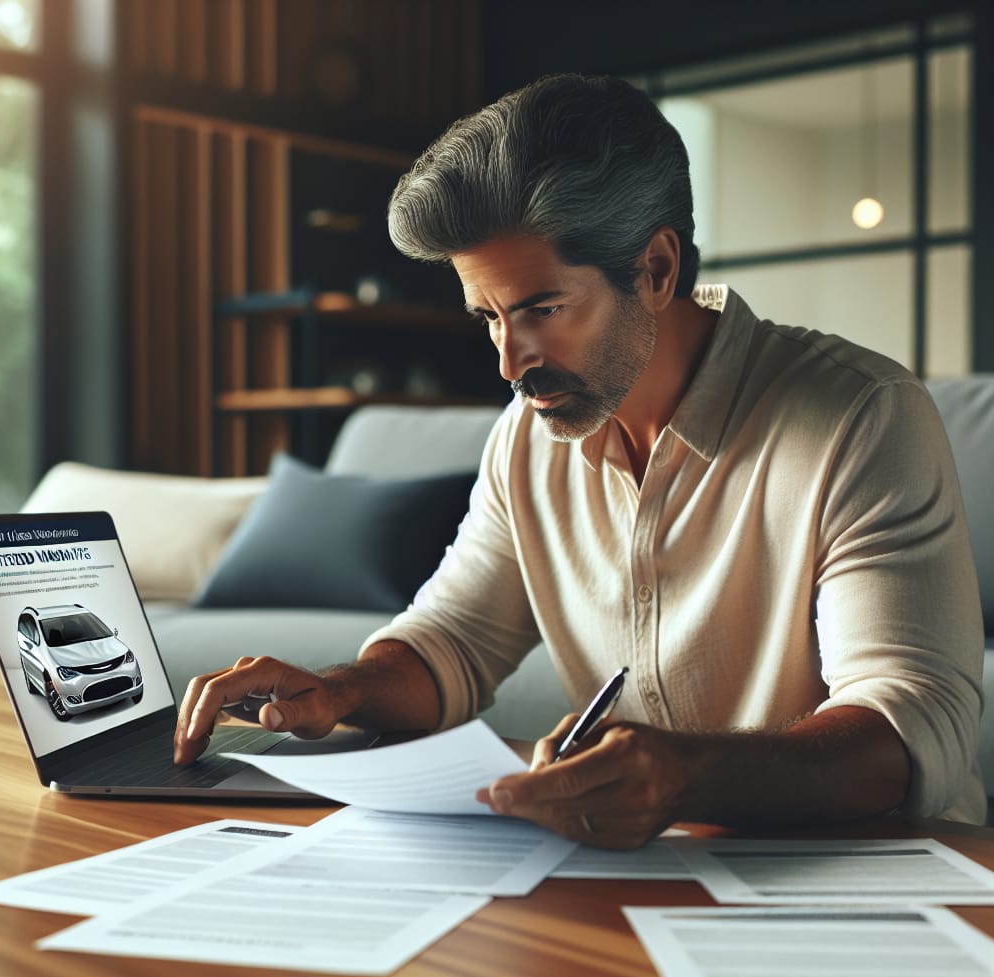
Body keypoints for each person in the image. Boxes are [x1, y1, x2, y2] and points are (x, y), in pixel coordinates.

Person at [174, 73, 986, 845]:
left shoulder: (863, 416)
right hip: (641, 869)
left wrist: (684, 775)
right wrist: (341, 691)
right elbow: (453, 642)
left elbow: (912, 722)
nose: (509, 361)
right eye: (488, 317)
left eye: (542, 309)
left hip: (875, 876)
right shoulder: (526, 438)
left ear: (657, 269)